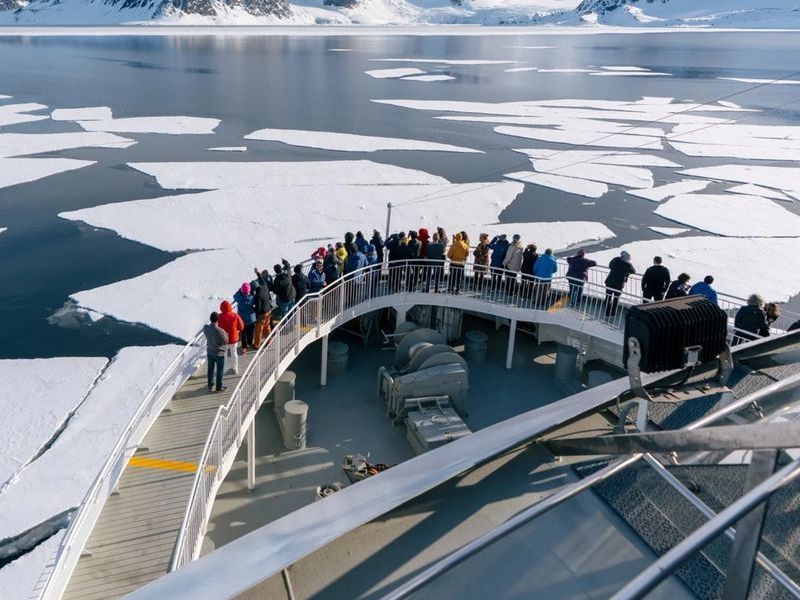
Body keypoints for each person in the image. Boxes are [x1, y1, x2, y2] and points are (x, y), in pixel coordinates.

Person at [604, 250, 635, 318]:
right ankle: (613, 314)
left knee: (608, 297)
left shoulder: (615, 260)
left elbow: (610, 266)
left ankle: (607, 313)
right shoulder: (627, 265)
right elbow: (633, 271)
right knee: (616, 299)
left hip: (609, 282)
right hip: (618, 284)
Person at [203, 312, 228, 392]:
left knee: (210, 369)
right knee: (219, 370)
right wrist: (226, 334)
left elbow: (205, 327)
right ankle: (219, 387)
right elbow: (225, 341)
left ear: (210, 319)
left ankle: (210, 385)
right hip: (219, 353)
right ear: (218, 320)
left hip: (210, 352)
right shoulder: (220, 331)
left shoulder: (206, 328)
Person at [218, 300, 244, 375]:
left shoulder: (219, 317)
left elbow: (217, 328)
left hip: (224, 340)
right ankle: (235, 369)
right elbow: (241, 326)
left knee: (224, 355)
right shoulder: (235, 315)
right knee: (234, 353)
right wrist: (236, 330)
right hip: (233, 339)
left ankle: (224, 370)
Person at [233, 282, 256, 353]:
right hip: (251, 318)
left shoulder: (239, 298)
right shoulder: (252, 297)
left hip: (242, 319)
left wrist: (240, 290)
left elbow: (234, 296)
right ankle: (250, 343)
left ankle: (244, 347)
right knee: (250, 332)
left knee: (243, 333)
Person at [252, 277, 272, 347]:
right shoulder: (265, 287)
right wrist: (258, 274)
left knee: (259, 330)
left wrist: (253, 309)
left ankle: (257, 345)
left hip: (262, 314)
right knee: (267, 326)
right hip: (268, 310)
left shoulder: (258, 295)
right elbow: (262, 280)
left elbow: (258, 308)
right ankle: (269, 341)